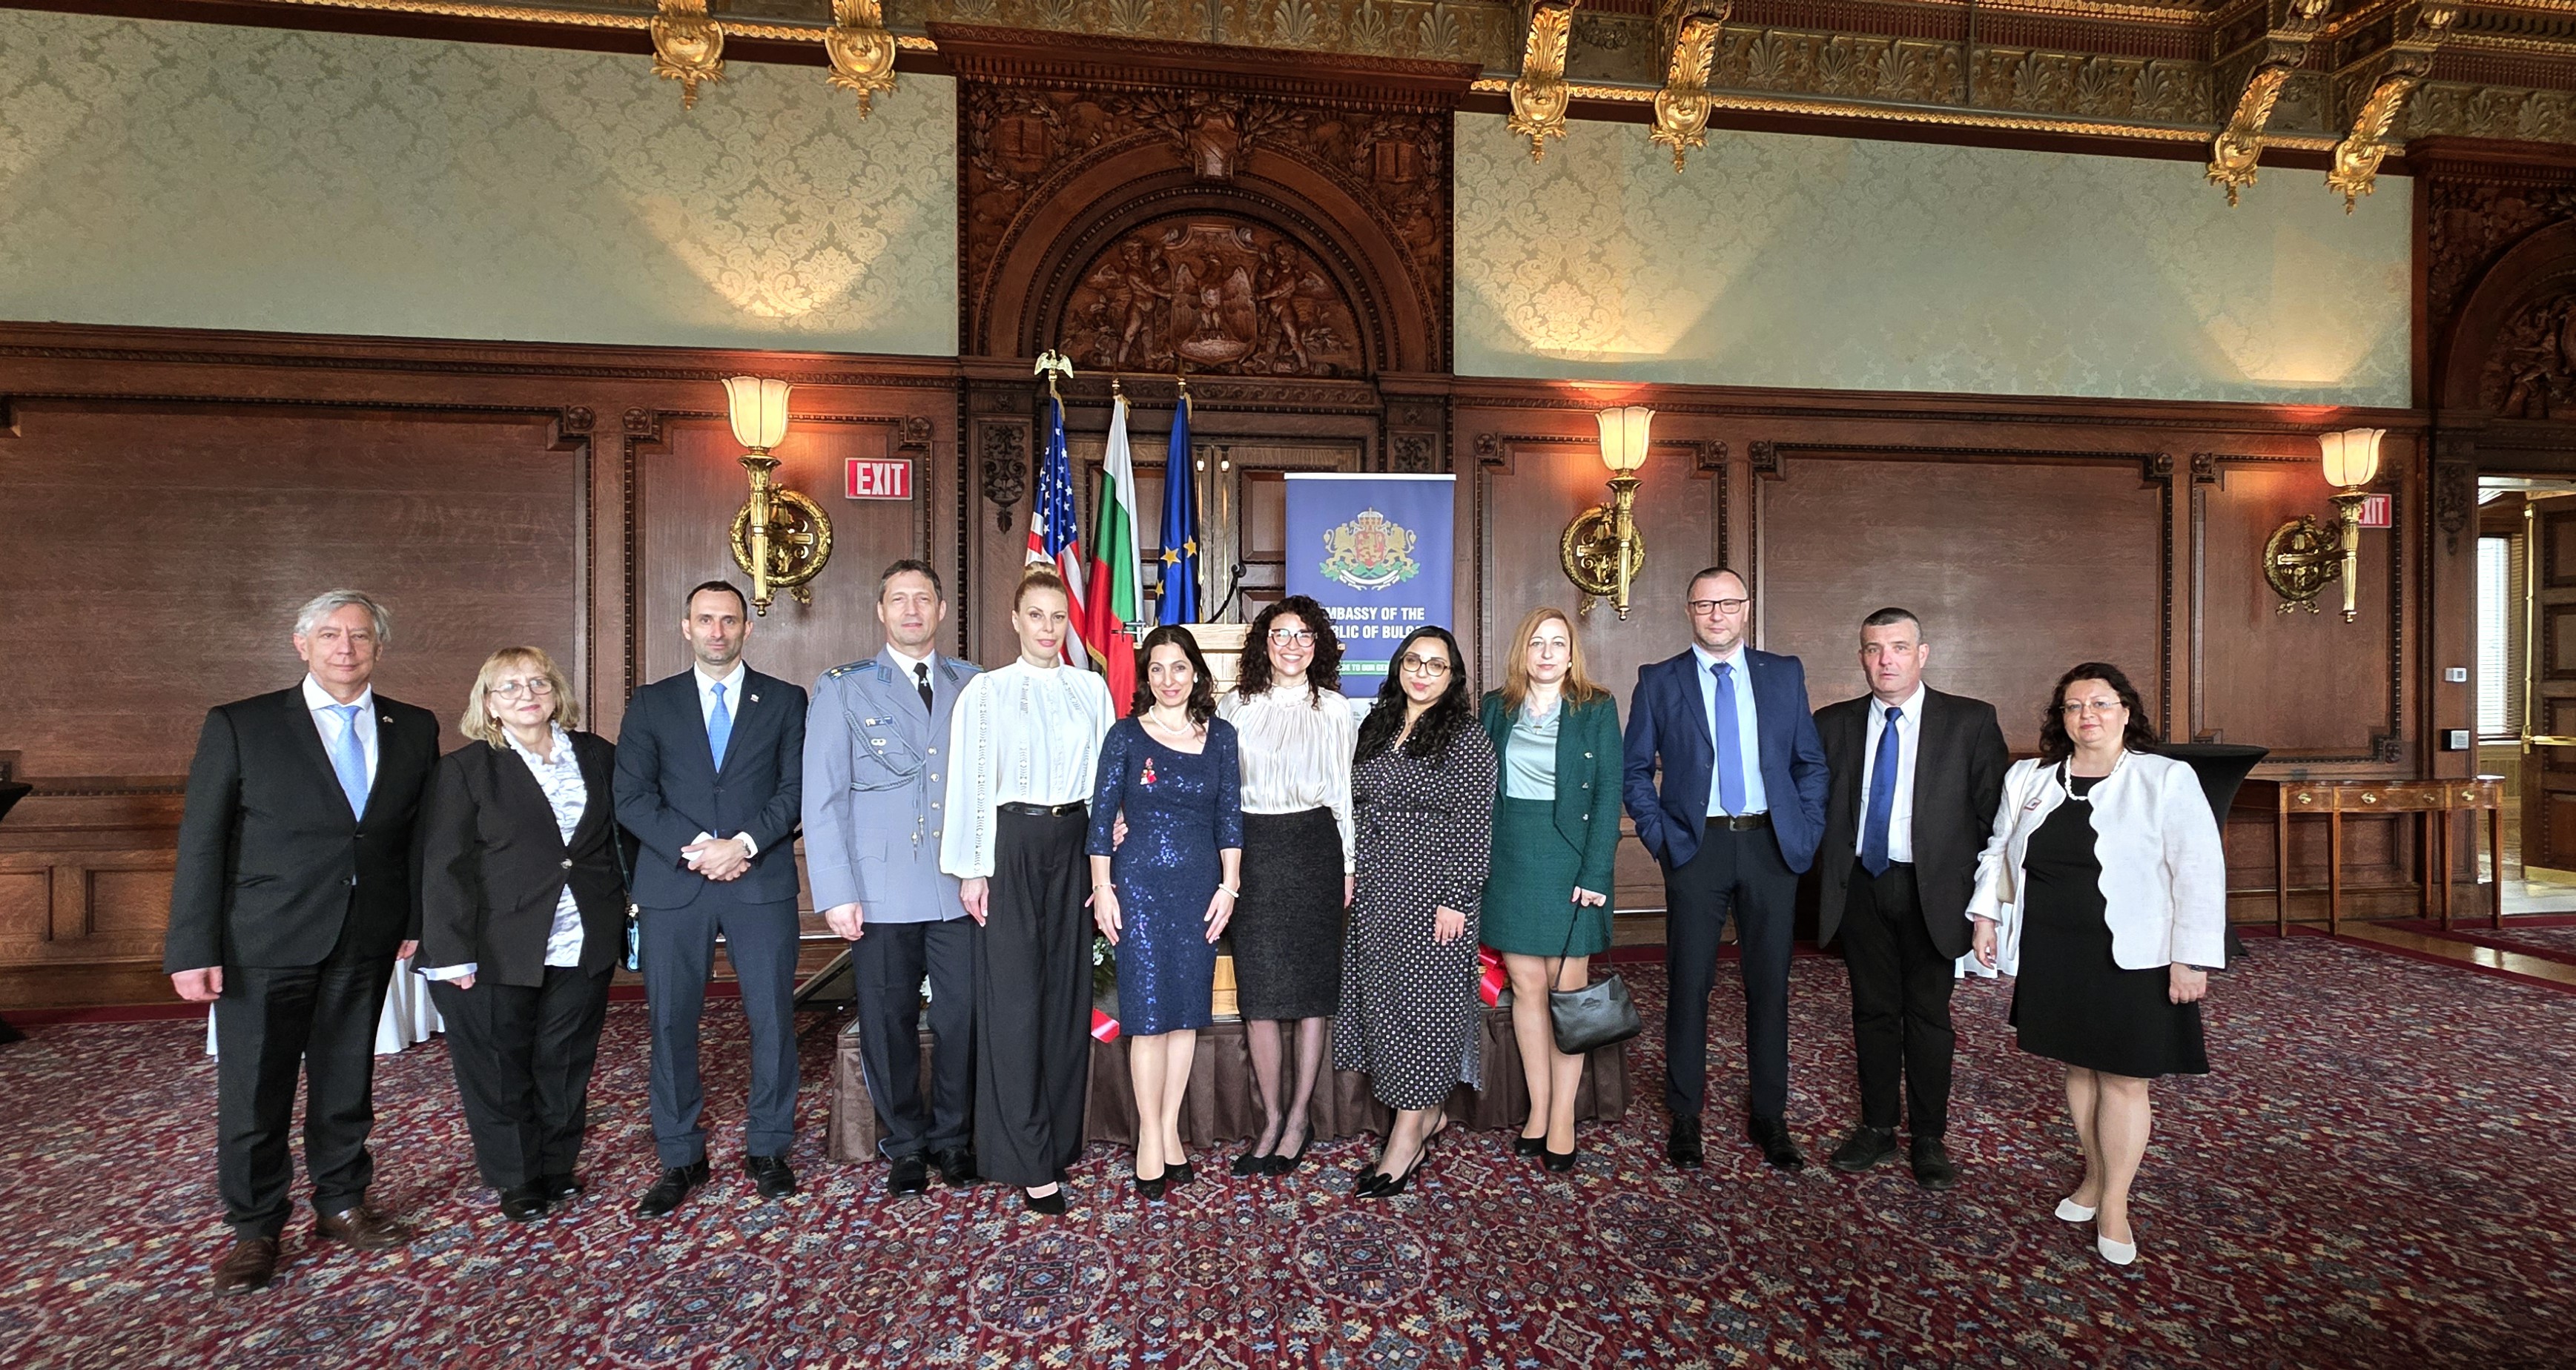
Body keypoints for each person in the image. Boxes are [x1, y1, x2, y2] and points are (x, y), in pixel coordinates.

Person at [164, 590, 440, 1295]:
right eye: (329, 634)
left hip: (368, 935)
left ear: (379, 648)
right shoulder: (241, 724)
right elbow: (202, 843)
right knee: (256, 1090)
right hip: (265, 938)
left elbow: (415, 835)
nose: (344, 647)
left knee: (348, 1081)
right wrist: (192, 947)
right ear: (301, 644)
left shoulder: (413, 726)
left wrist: (414, 918)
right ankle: (255, 1229)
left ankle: (342, 1204)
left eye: (359, 636)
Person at [1969, 663, 2223, 1266]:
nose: (2089, 716)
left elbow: (2200, 869)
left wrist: (2190, 957)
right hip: (2056, 949)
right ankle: (2091, 1175)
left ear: (2126, 712)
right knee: (2079, 1069)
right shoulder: (2028, 778)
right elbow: (2000, 850)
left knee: (2125, 1077)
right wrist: (1985, 917)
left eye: (2102, 704)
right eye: (2075, 706)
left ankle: (2115, 1202)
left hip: (2136, 954)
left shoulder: (2165, 778)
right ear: (2062, 718)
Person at [612, 580, 809, 1217]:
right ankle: (680, 1155)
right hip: (676, 881)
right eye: (706, 619)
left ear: (748, 629)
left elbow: (796, 789)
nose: (718, 631)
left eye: (729, 620)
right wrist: (701, 846)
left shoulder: (784, 700)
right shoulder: (651, 703)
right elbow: (632, 797)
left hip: (760, 879)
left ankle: (769, 1147)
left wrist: (744, 844)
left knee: (774, 1017)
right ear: (685, 626)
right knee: (671, 1022)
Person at [1622, 567, 1829, 1172]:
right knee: (1689, 984)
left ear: (1746, 608)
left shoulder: (1783, 673)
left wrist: (1806, 831)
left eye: (1728, 603)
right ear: (1689, 610)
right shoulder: (1659, 680)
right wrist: (1663, 839)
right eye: (1705, 604)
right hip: (1696, 849)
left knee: (1770, 986)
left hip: (1770, 847)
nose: (1717, 614)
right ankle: (1686, 1114)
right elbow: (1636, 771)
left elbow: (1809, 764)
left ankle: (1770, 1115)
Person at [416, 646, 628, 1223]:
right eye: (508, 687)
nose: (526, 695)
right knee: (500, 1064)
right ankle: (517, 1176)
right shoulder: (465, 768)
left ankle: (558, 1166)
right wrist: (452, 952)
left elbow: (619, 838)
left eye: (538, 682)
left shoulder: (597, 755)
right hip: (494, 945)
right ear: (488, 703)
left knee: (565, 1058)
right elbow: (444, 865)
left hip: (583, 935)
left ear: (558, 692)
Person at [1810, 609, 2007, 1191]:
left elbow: (1992, 818)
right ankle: (1875, 1127)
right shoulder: (1833, 723)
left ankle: (1928, 1136)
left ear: (1923, 653)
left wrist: (1985, 907)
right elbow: (1816, 808)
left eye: (1899, 647)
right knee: (1872, 1012)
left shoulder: (1970, 722)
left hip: (1934, 890)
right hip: (1862, 887)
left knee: (1927, 1015)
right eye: (1874, 649)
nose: (1886, 660)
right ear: (1861, 656)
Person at [805, 559, 982, 1197]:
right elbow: (821, 798)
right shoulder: (844, 688)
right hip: (878, 891)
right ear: (880, 613)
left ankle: (955, 1139)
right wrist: (836, 892)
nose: (912, 610)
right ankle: (905, 1142)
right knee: (888, 1019)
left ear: (941, 610)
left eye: (924, 599)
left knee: (964, 1018)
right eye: (899, 600)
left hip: (960, 887)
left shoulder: (973, 683)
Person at [942, 567, 1114, 1214]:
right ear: (1015, 621)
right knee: (1015, 1002)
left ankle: (1060, 1136)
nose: (1047, 628)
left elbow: (1108, 779)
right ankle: (1026, 1154)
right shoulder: (985, 693)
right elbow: (969, 783)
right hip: (1009, 845)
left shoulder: (1091, 691)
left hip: (1075, 844)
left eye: (1057, 616)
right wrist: (971, 867)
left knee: (1067, 996)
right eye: (1035, 615)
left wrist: (1107, 858)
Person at [1335, 626, 1496, 1199]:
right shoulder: (1377, 725)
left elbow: (1476, 825)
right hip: (1378, 892)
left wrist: (1457, 896)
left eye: (1436, 664)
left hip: (1435, 898)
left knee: (1424, 1013)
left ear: (1453, 677)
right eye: (1413, 661)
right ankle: (1427, 1116)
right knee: (1385, 1005)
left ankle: (1408, 1137)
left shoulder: (1466, 737)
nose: (1422, 672)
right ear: (1399, 666)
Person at [1086, 626, 1244, 1199]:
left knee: (1185, 1017)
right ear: (1146, 675)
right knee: (1148, 1018)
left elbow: (1231, 818)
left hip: (1200, 890)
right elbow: (1101, 819)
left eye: (1179, 668)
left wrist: (1229, 888)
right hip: (1140, 889)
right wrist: (1102, 888)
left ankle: (1171, 1128)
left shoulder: (1222, 736)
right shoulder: (1126, 735)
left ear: (1196, 673)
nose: (1168, 680)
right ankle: (1150, 1138)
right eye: (1156, 669)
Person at [1476, 606, 1622, 1171]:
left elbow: (1610, 792)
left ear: (1571, 653)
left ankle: (1564, 1116)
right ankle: (1539, 1110)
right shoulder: (1496, 706)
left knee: (1568, 994)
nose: (1546, 653)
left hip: (1571, 860)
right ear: (1523, 650)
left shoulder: (1597, 707)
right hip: (1510, 857)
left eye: (1557, 643)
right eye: (1536, 642)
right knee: (1526, 986)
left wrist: (1596, 874)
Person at [1215, 595, 1356, 1176]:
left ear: (1317, 645)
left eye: (1304, 636)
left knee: (1312, 994)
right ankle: (1270, 1119)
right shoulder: (1235, 707)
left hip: (1316, 852)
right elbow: (1221, 795)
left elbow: (1345, 794)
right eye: (1281, 634)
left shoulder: (1337, 710)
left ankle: (1300, 1118)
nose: (1292, 645)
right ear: (1263, 643)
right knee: (1262, 997)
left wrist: (1349, 867)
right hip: (1253, 853)